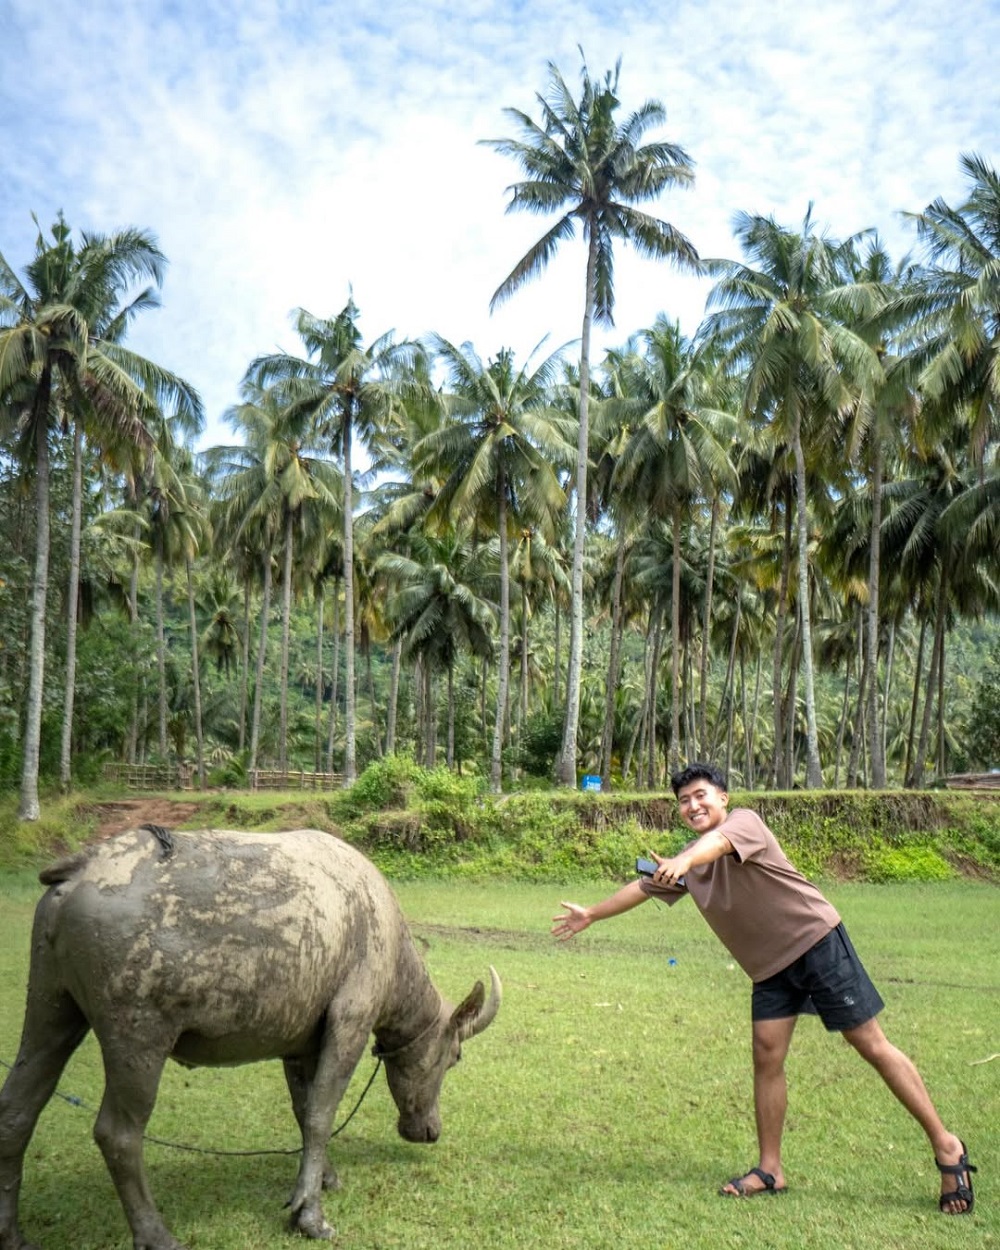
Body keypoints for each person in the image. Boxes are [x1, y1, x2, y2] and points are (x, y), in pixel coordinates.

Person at [552, 762, 976, 1214]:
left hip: (815, 942)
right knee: (766, 1056)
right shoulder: (690, 863)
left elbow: (715, 845)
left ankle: (948, 1147)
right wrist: (592, 914)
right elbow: (641, 888)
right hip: (769, 968)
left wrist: (686, 859)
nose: (693, 805)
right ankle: (770, 1169)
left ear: (722, 798)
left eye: (700, 795)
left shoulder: (743, 824)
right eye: (683, 800)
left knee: (870, 1044)